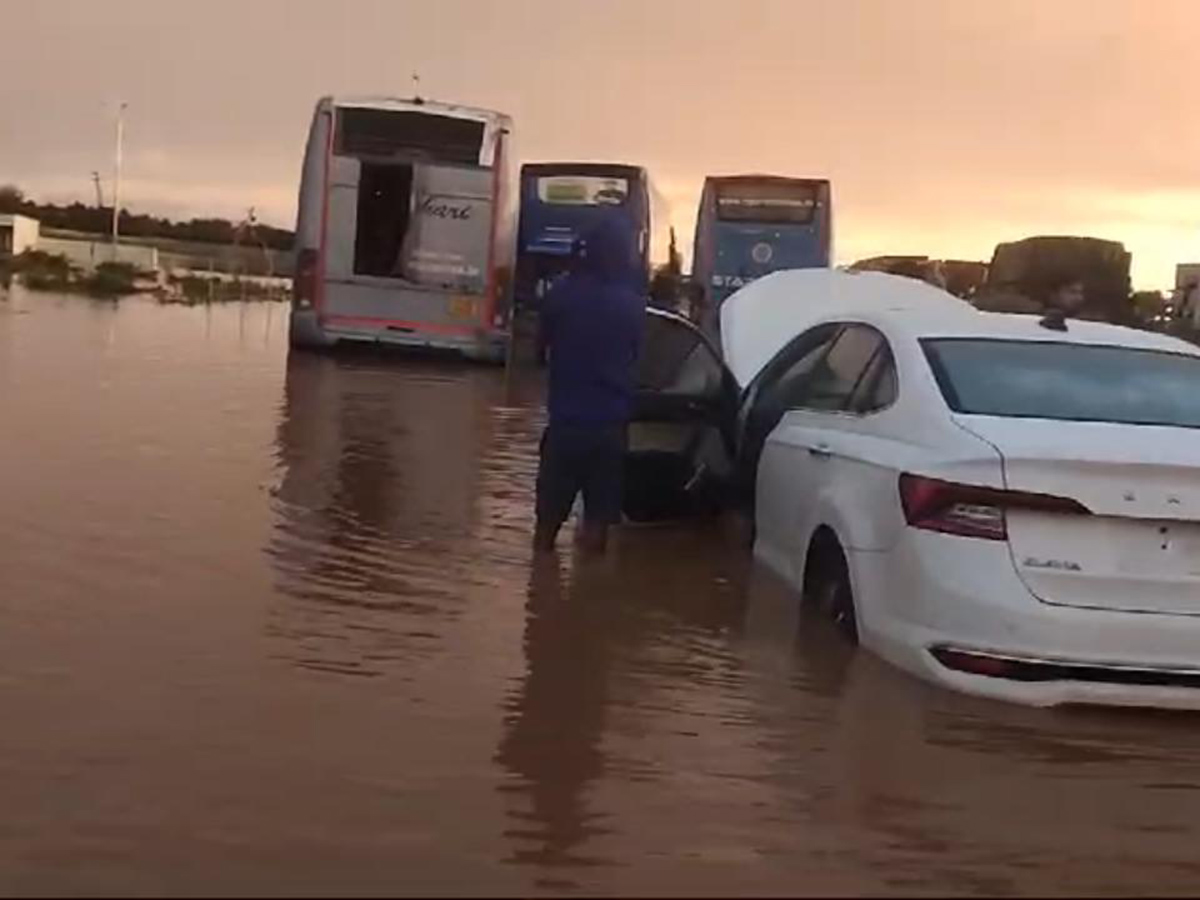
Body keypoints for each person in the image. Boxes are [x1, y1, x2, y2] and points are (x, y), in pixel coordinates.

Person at [533, 219, 646, 555]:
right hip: (609, 431)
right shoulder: (632, 304)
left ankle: (539, 591)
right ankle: (588, 594)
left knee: (546, 525)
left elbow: (538, 352)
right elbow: (636, 357)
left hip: (566, 426)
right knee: (598, 521)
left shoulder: (561, 295)